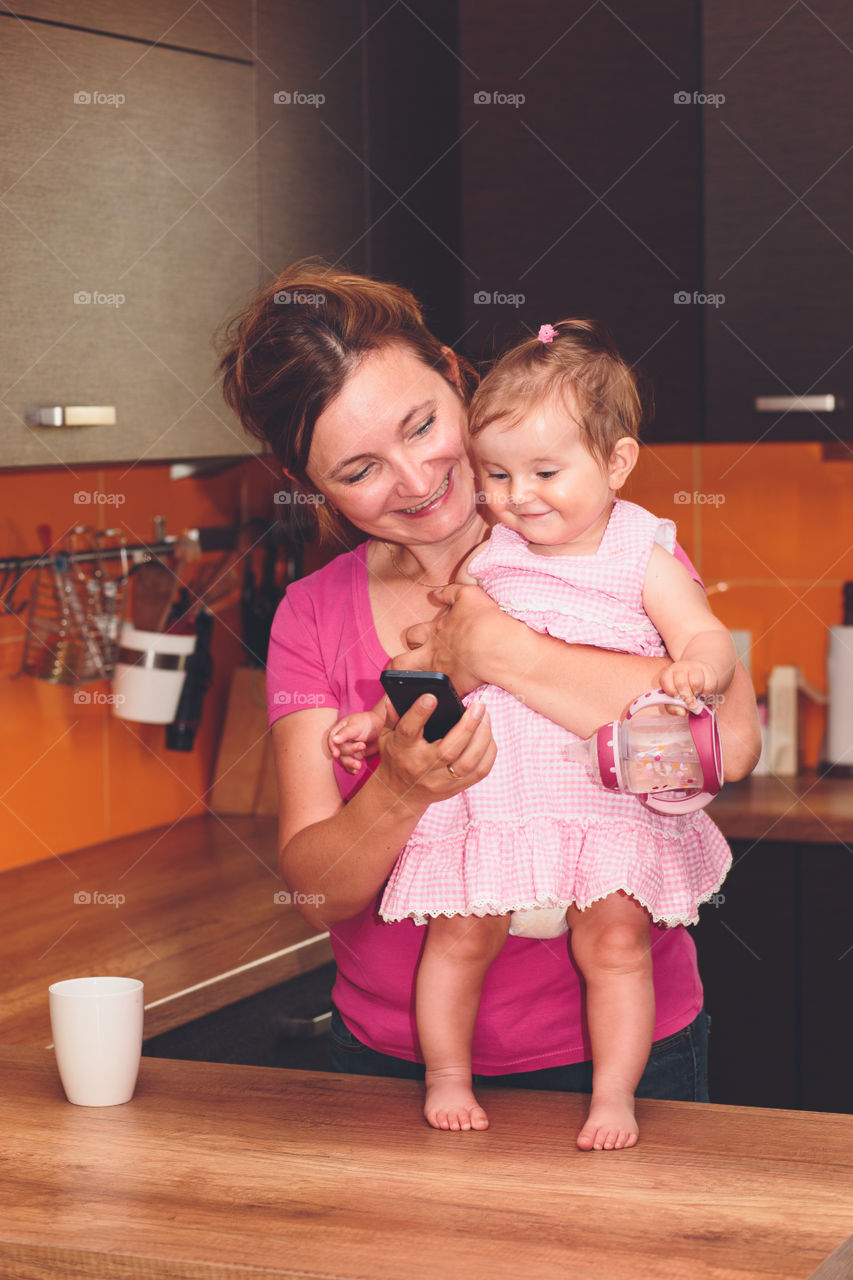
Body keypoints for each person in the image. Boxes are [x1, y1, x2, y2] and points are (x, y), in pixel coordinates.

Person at [218, 260, 760, 1147]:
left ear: (451, 370)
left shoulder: (601, 549)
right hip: (398, 1069)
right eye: (359, 469)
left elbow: (721, 750)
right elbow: (317, 891)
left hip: (622, 1058)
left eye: (424, 424)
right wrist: (398, 789)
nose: (416, 478)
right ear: (309, 482)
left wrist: (508, 654)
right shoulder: (311, 614)